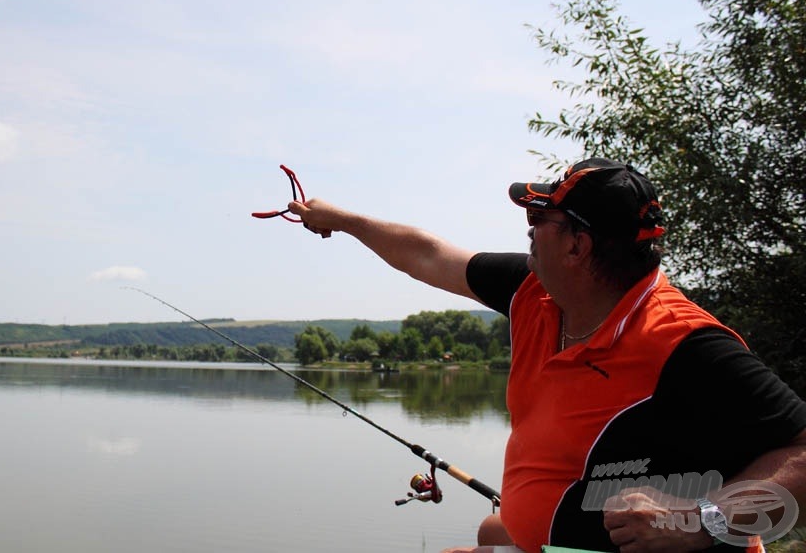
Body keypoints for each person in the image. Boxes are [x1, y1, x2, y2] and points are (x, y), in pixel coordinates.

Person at [288, 158, 806, 553]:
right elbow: (427, 254)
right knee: (491, 530)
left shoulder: (687, 346)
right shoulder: (531, 290)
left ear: (578, 247)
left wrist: (700, 522)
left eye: (541, 215)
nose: (529, 228)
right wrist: (341, 219)